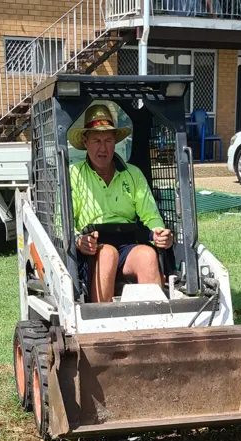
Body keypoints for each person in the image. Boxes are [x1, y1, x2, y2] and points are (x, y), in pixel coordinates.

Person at [69, 104, 173, 303]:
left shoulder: (133, 174)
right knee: (107, 254)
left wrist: (160, 234)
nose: (103, 147)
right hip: (90, 248)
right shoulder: (73, 175)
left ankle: (156, 325)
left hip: (126, 243)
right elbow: (61, 222)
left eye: (108, 140)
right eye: (97, 140)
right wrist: (78, 241)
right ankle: (100, 325)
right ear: (85, 141)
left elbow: (151, 216)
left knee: (148, 255)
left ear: (115, 141)